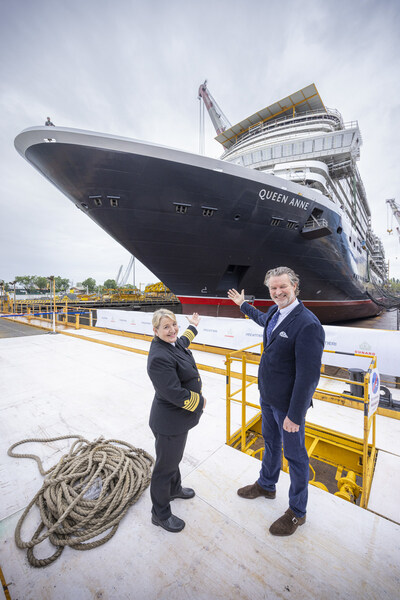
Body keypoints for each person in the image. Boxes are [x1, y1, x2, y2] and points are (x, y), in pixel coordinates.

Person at [227, 266, 325, 536]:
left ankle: (297, 512)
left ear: (295, 286)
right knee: (270, 442)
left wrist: (295, 415)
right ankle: (266, 485)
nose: (278, 292)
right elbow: (262, 319)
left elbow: (308, 377)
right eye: (273, 288)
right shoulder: (274, 312)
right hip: (268, 397)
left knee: (295, 456)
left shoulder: (308, 324)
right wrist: (243, 305)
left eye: (283, 287)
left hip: (288, 406)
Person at [147, 309, 206, 533]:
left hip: (177, 420)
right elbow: (174, 393)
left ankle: (174, 489)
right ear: (155, 331)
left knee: (174, 458)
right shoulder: (158, 358)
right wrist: (201, 403)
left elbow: (182, 342)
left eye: (173, 324)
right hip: (168, 423)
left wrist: (193, 326)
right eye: (165, 327)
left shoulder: (171, 344)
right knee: (165, 467)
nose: (172, 330)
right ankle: (159, 514)